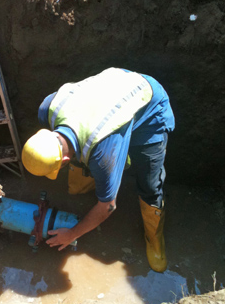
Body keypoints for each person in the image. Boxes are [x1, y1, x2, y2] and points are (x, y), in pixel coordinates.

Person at [22, 67, 175, 273]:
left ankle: (154, 239)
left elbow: (108, 207)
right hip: (114, 96)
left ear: (64, 159)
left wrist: (73, 234)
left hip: (147, 105)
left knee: (149, 183)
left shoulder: (103, 155)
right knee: (84, 167)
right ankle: (91, 184)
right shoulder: (48, 110)